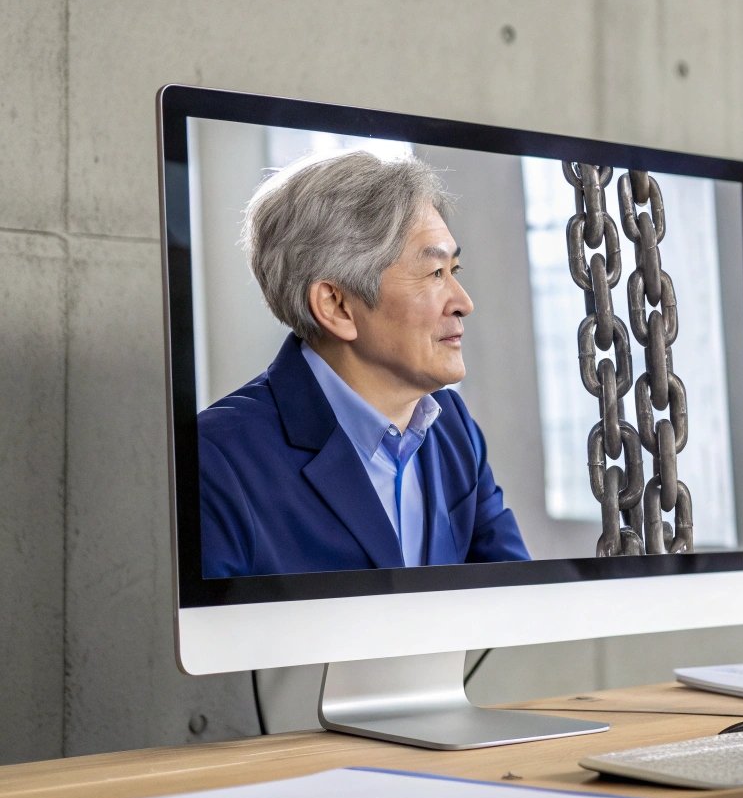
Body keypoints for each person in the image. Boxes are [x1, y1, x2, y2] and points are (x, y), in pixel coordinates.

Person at [198, 149, 530, 577]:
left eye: (455, 270)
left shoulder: (453, 427)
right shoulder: (216, 459)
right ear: (336, 305)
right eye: (434, 274)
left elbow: (513, 599)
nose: (464, 303)